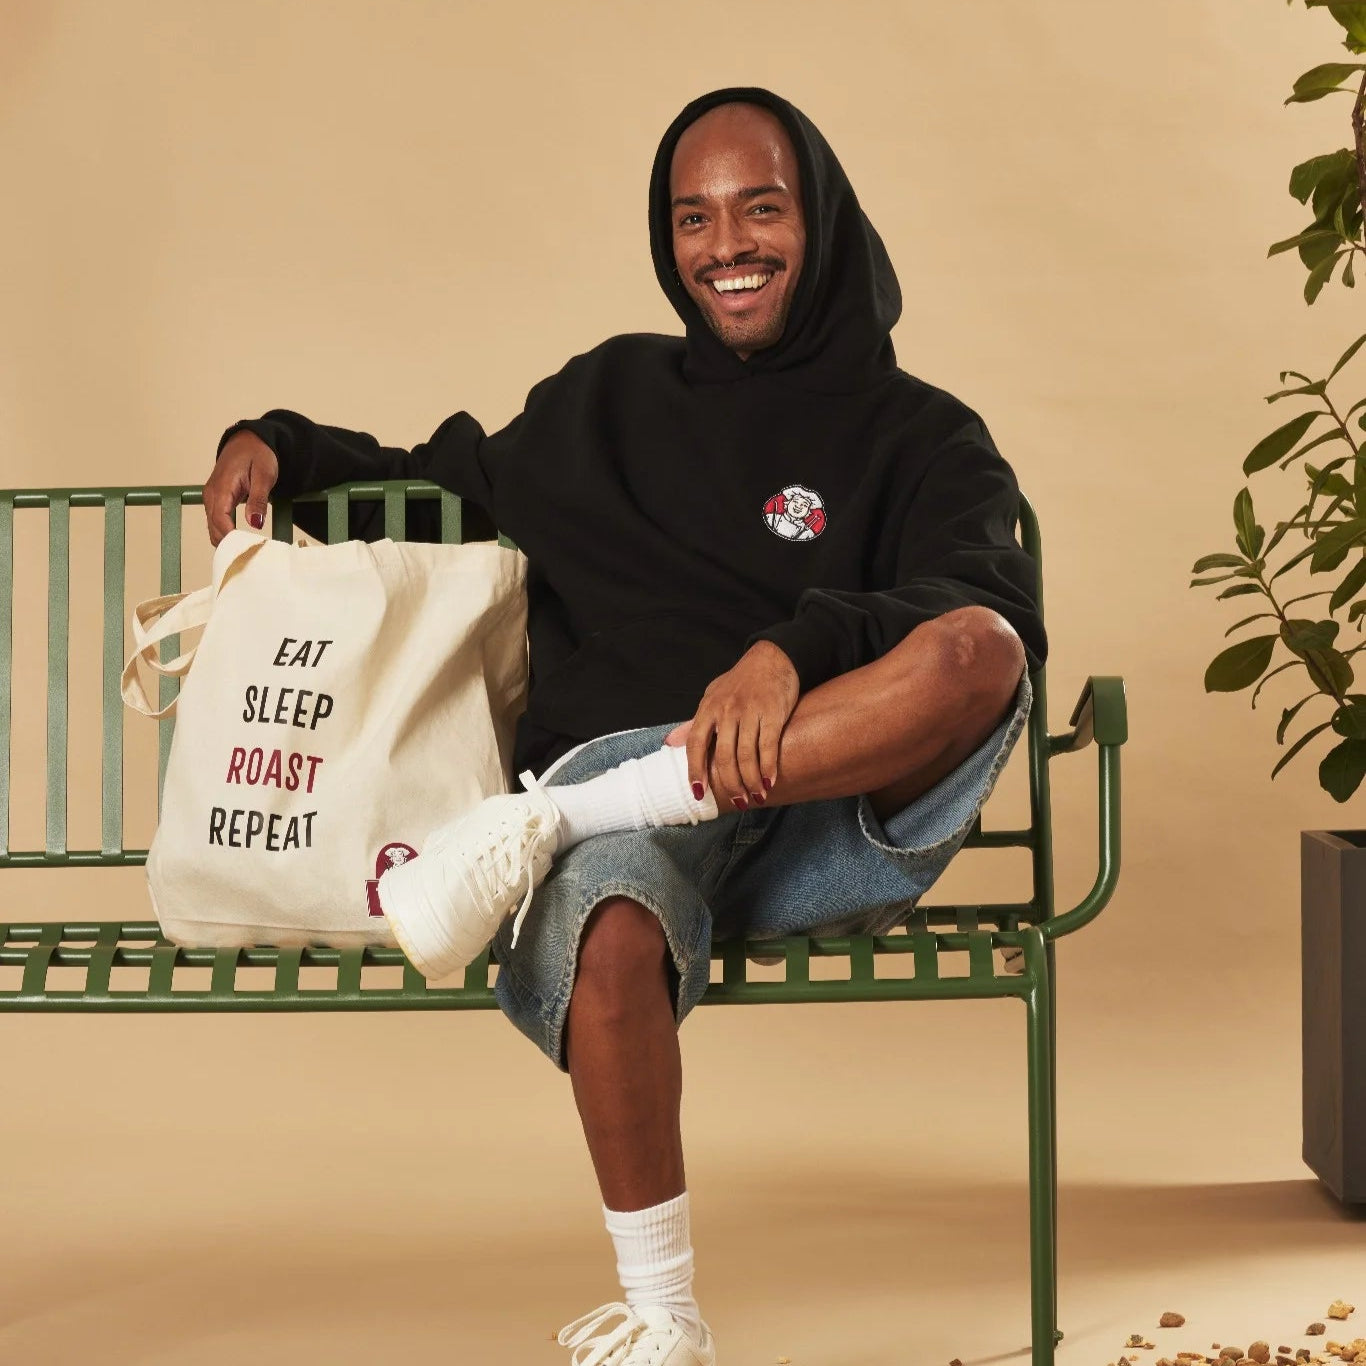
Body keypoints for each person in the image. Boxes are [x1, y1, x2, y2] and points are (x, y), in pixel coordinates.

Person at [204, 86, 1046, 1366]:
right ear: (668, 239)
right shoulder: (604, 399)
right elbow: (432, 481)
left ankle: (548, 821)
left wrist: (792, 648)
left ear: (820, 221)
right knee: (605, 920)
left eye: (761, 209)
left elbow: (984, 611)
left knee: (979, 650)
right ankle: (665, 1318)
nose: (728, 245)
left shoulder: (921, 433)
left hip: (817, 817)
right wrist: (272, 441)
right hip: (636, 843)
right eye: (694, 217)